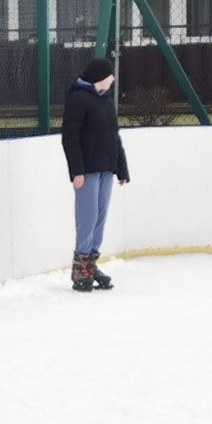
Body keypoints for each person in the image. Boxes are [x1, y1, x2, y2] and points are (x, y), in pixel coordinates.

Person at [61, 57, 130, 292]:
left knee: (99, 218)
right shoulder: (78, 99)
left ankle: (90, 265)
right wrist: (77, 171)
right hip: (87, 170)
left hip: (106, 168)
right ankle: (80, 269)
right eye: (111, 76)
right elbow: (70, 138)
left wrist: (121, 169)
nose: (113, 80)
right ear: (101, 77)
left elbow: (114, 136)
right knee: (87, 219)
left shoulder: (106, 100)